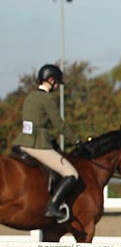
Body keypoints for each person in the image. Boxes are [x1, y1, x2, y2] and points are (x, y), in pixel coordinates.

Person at [12, 64, 81, 223]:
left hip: (22, 140)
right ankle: (53, 206)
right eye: (56, 82)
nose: (57, 86)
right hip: (37, 144)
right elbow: (59, 124)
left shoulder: (30, 96)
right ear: (50, 80)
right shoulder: (47, 98)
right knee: (72, 174)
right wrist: (76, 140)